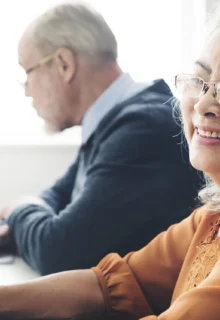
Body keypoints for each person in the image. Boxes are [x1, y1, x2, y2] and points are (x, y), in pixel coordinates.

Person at [0, 2, 201, 275]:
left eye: (27, 73)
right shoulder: (112, 122)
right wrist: (30, 218)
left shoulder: (141, 129)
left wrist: (18, 208)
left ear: (64, 64)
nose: (26, 91)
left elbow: (58, 253)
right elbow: (58, 195)